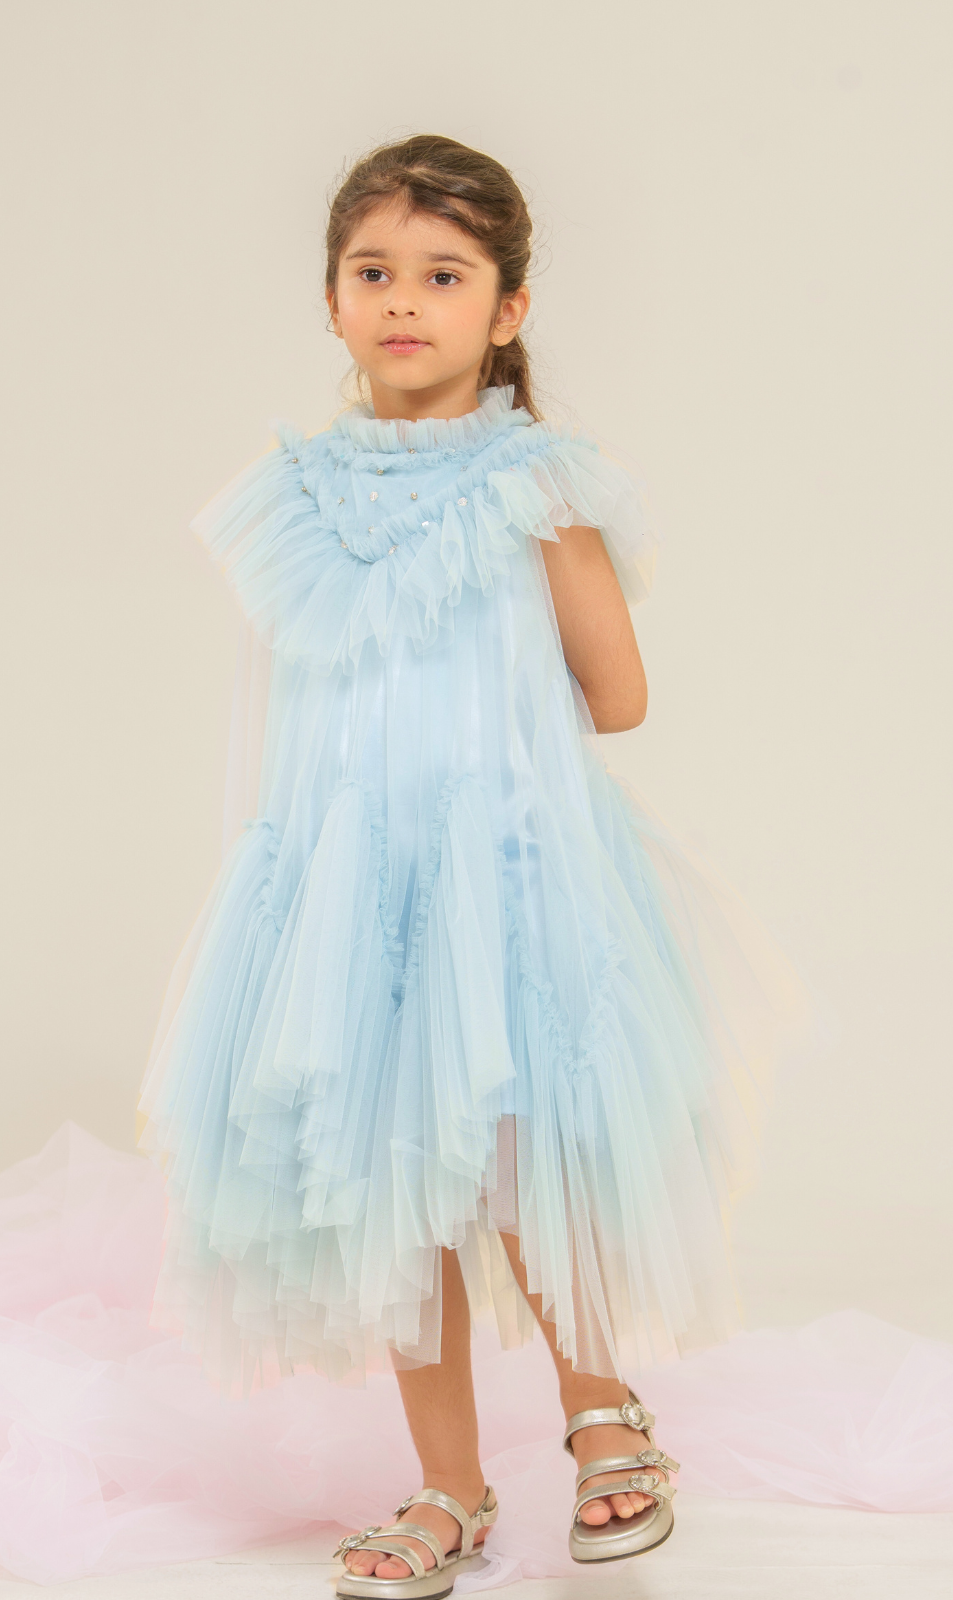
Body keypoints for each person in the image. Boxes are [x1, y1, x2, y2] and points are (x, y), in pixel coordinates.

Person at [137, 133, 792, 1598]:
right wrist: (293, 880)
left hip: (506, 869)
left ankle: (601, 1410)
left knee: (526, 1152)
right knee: (393, 1187)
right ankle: (448, 1482)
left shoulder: (535, 482)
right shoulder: (287, 496)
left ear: (508, 310)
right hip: (345, 889)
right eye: (373, 272)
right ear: (330, 299)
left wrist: (506, 666)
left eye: (445, 276)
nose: (403, 301)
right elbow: (282, 705)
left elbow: (618, 695)